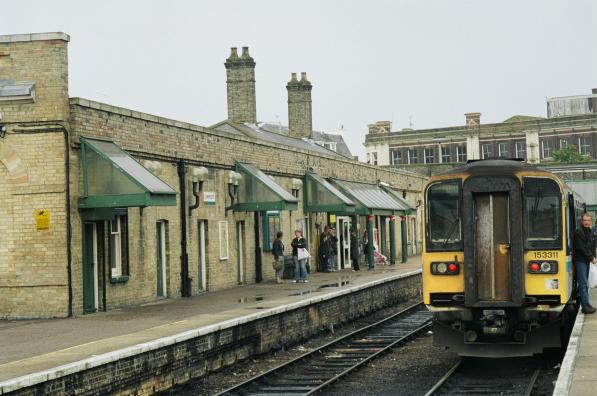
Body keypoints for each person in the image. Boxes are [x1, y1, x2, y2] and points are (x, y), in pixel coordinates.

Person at [573, 213, 596, 314]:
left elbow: (592, 245)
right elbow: (581, 248)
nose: (587, 222)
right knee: (582, 284)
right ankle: (585, 306)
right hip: (580, 261)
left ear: (590, 221)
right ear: (581, 221)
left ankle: (586, 304)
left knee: (585, 283)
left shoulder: (590, 231)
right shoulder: (578, 232)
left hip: (586, 260)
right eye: (585, 220)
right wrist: (591, 258)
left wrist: (594, 256)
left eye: (588, 220)